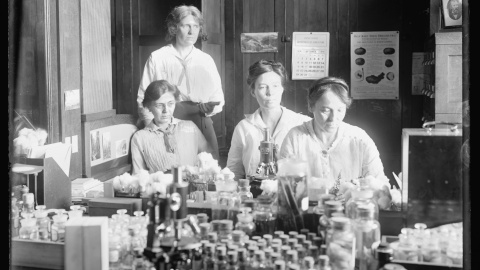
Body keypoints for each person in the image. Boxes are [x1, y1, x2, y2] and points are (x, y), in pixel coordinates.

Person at [137, 5, 224, 160]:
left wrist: (210, 108)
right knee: (173, 170)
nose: (192, 32)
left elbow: (219, 98)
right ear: (173, 28)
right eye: (186, 26)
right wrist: (154, 130)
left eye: (196, 26)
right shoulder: (158, 58)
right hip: (166, 121)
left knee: (208, 171)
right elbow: (143, 99)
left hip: (200, 120)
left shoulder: (206, 60)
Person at [278, 76, 387, 185]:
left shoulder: (359, 139)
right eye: (326, 110)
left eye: (340, 110)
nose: (333, 118)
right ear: (311, 107)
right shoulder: (296, 137)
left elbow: (380, 184)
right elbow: (283, 184)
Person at [226, 59, 311, 181]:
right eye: (262, 87)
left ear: (282, 89)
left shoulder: (301, 123)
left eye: (275, 86)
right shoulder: (244, 127)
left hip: (291, 196)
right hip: (254, 196)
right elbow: (234, 172)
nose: (270, 93)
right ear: (253, 92)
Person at [131, 80, 211, 174]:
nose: (166, 110)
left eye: (170, 104)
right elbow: (138, 177)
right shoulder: (139, 138)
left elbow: (209, 162)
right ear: (149, 107)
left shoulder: (190, 127)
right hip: (159, 187)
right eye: (159, 105)